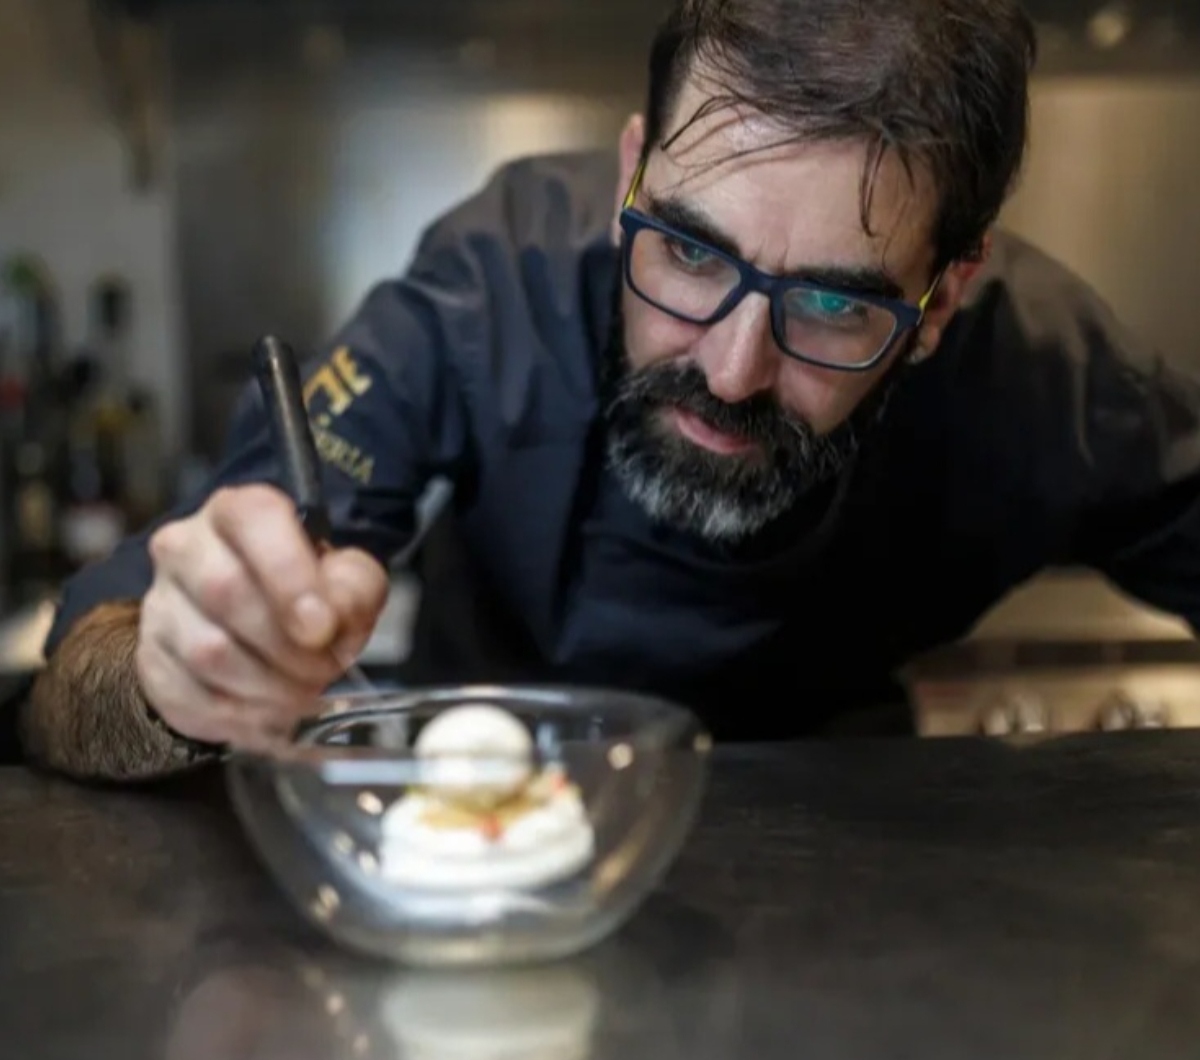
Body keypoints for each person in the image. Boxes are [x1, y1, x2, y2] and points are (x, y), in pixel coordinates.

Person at [21, 0, 1200, 781]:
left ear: (942, 300)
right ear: (633, 171)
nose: (731, 370)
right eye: (687, 252)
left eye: (837, 307)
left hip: (853, 891)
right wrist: (177, 680)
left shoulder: (1053, 375)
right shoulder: (493, 287)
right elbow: (90, 669)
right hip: (462, 830)